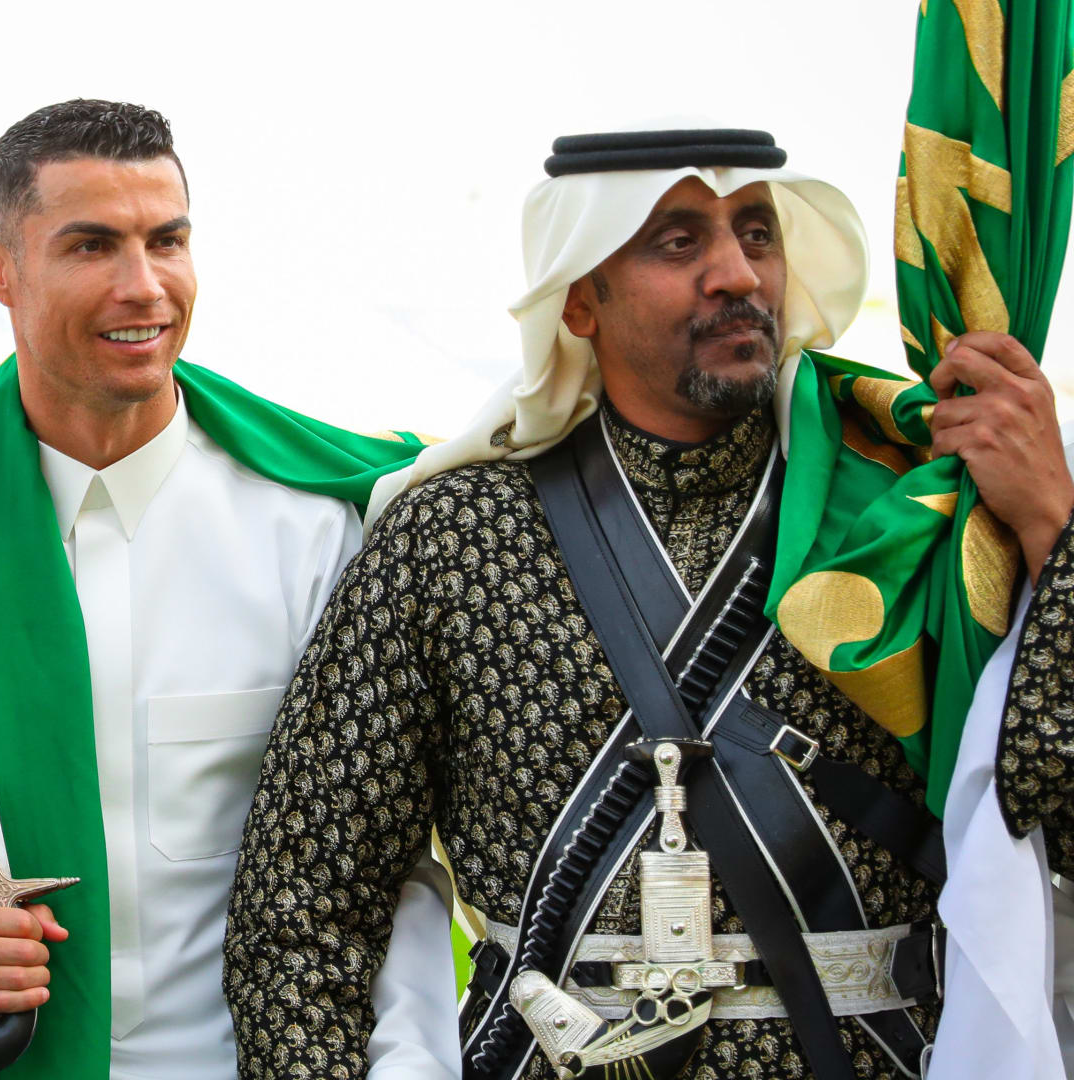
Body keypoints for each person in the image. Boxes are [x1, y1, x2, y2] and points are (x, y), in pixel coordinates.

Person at [225, 126, 1074, 1080]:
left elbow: (1058, 818)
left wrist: (1052, 531)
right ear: (579, 298)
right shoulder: (447, 538)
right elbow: (303, 906)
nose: (738, 274)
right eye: (679, 241)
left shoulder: (908, 517)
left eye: (758, 234)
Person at [0, 99, 457, 1079]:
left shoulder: (320, 531)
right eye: (92, 246)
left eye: (167, 241)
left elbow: (390, 863)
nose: (144, 286)